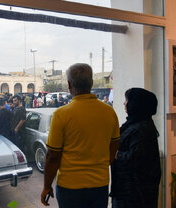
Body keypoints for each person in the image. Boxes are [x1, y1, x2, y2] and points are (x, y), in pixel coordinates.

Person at [41, 63, 120, 208]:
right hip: (100, 185)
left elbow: (52, 156)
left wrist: (47, 185)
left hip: (70, 187)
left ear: (69, 84)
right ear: (91, 83)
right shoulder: (109, 112)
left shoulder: (61, 115)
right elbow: (113, 148)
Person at [110, 88, 161, 208]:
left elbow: (133, 158)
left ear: (135, 104)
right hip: (130, 189)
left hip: (134, 193)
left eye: (127, 100)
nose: (124, 103)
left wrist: (115, 153)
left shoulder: (140, 128)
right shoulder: (139, 123)